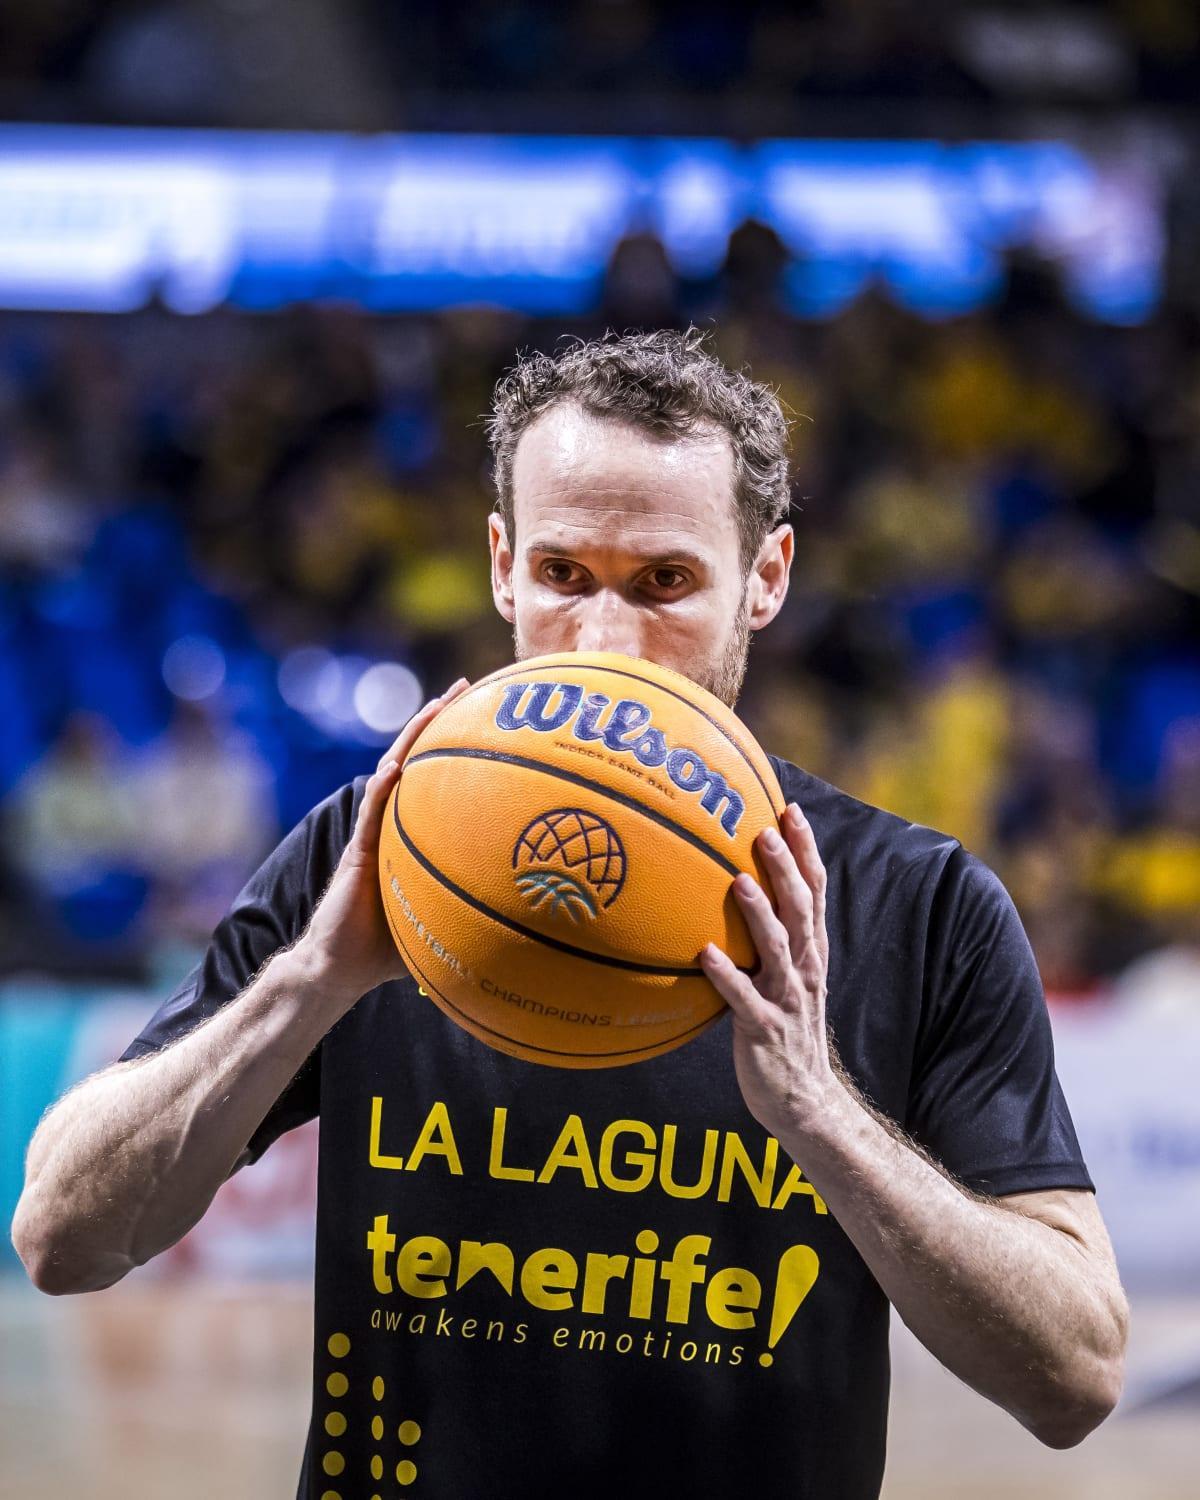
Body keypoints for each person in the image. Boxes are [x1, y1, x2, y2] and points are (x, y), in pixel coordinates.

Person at [12, 329, 1128, 1500]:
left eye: (665, 583)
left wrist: (822, 1116)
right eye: (562, 574)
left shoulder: (920, 905)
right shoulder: (376, 847)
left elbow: (1076, 1374)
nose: (606, 639)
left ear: (767, 576)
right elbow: (61, 1236)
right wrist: (309, 985)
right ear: (502, 565)